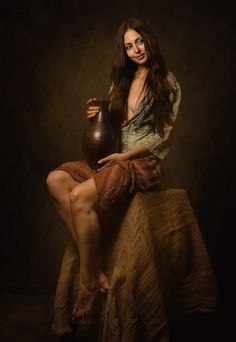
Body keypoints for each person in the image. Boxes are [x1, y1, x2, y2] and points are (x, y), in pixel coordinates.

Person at [46, 18, 181, 321]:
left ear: (149, 40)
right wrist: (96, 115)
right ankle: (94, 266)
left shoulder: (168, 82)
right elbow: (109, 128)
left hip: (143, 164)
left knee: (79, 197)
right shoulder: (120, 81)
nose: (136, 50)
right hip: (114, 159)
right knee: (55, 179)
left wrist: (125, 156)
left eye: (140, 42)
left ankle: (88, 283)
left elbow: (163, 136)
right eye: (129, 46)